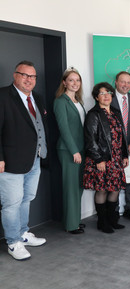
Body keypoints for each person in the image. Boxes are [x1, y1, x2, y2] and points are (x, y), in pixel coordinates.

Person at [0, 60, 47, 260]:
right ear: (15, 75)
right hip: (10, 161)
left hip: (34, 158)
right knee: (11, 203)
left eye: (32, 76)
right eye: (24, 75)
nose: (29, 80)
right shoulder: (2, 96)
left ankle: (22, 233)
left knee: (27, 198)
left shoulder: (37, 97)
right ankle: (13, 242)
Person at [84, 82, 129, 233]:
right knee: (102, 190)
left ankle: (112, 220)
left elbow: (122, 136)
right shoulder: (93, 114)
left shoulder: (116, 112)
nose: (106, 96)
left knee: (115, 189)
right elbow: (90, 140)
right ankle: (102, 222)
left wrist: (124, 155)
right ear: (97, 97)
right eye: (102, 93)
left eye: (108, 92)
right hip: (102, 159)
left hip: (116, 159)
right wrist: (98, 159)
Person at [53, 67, 86, 234]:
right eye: (71, 80)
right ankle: (71, 225)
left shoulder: (78, 102)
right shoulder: (60, 101)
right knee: (71, 187)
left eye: (77, 80)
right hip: (68, 150)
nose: (75, 83)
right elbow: (64, 129)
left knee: (78, 186)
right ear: (64, 82)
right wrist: (74, 151)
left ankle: (75, 220)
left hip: (80, 149)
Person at [111, 71, 130, 221]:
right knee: (114, 179)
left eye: (128, 82)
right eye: (122, 82)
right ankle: (114, 209)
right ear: (116, 82)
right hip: (113, 148)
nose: (125, 85)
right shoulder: (108, 99)